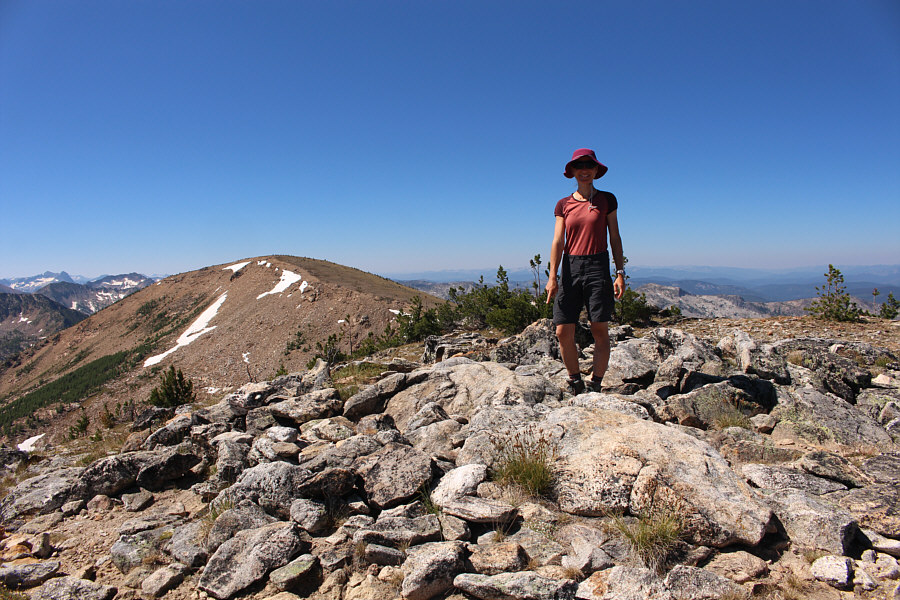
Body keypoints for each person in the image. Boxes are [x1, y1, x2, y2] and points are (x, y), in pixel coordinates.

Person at [545, 148, 626, 394]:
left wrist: (620, 272)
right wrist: (552, 277)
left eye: (589, 166)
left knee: (599, 327)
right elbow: (558, 240)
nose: (584, 170)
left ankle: (596, 384)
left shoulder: (607, 200)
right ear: (572, 172)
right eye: (579, 166)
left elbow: (615, 236)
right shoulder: (564, 204)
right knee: (562, 330)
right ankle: (575, 380)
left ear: (595, 171)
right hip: (571, 267)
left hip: (598, 266)